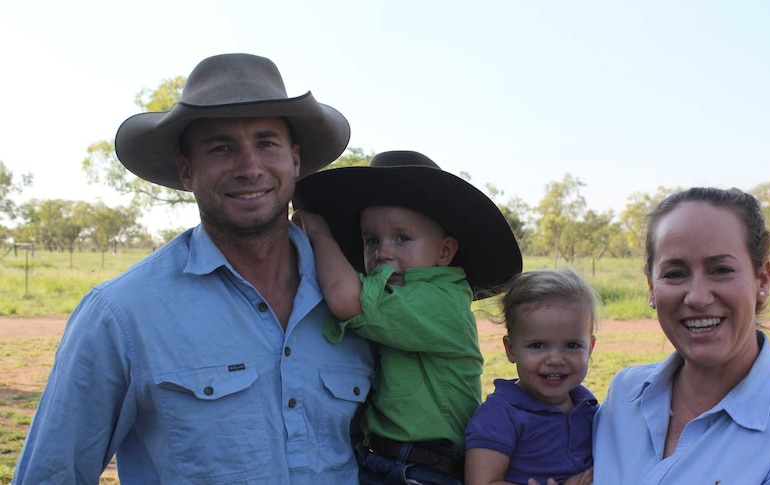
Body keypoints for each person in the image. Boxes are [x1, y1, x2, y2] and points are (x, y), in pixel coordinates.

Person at [13, 53, 375, 484]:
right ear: (187, 171)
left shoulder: (364, 298)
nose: (250, 167)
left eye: (266, 143)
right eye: (221, 147)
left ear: (294, 159)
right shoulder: (122, 314)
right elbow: (51, 473)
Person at [592, 187, 770, 484]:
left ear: (763, 279)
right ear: (651, 288)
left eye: (721, 270)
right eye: (674, 273)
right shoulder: (624, 396)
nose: (697, 297)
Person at [291, 150, 523, 484]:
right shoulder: (396, 297)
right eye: (371, 240)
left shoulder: (442, 300)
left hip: (425, 468)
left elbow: (344, 299)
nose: (382, 252)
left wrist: (319, 234)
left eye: (402, 238)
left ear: (445, 251)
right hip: (383, 460)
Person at [464, 269, 598, 485]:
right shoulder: (500, 415)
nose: (555, 359)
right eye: (537, 345)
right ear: (511, 349)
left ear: (589, 348)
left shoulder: (590, 409)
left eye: (572, 345)